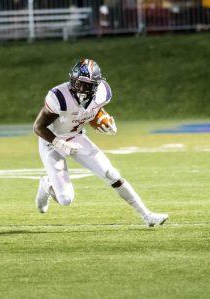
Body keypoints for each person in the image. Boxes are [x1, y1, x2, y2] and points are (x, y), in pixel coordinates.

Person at [33, 59, 168, 227]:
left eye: (87, 85)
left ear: (96, 85)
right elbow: (38, 127)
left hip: (76, 137)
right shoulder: (59, 97)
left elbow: (92, 110)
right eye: (78, 83)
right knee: (66, 199)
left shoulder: (103, 92)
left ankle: (147, 215)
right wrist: (59, 143)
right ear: (72, 80)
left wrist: (104, 119)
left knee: (112, 174)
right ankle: (47, 185)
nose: (81, 89)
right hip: (51, 141)